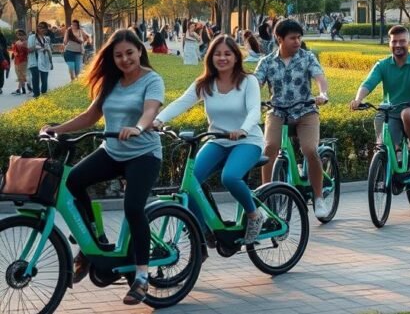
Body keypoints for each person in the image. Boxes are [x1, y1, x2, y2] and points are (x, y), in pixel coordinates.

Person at [40, 29, 164, 305]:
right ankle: (93, 242)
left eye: (129, 53)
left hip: (144, 154)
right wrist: (55, 129)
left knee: (133, 208)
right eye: (118, 55)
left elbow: (150, 111)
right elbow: (90, 116)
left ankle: (142, 277)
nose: (125, 59)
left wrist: (137, 127)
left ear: (139, 51)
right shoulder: (111, 81)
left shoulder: (152, 80)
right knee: (73, 181)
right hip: (112, 151)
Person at [154, 35, 265, 243]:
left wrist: (242, 129)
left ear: (235, 57)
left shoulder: (248, 81)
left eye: (227, 54)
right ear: (210, 57)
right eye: (217, 54)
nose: (222, 58)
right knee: (190, 182)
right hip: (218, 140)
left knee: (230, 177)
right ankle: (203, 231)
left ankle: (254, 214)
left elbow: (254, 111)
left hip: (247, 141)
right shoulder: (205, 83)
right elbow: (181, 102)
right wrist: (158, 120)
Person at [255, 19, 331, 219]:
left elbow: (319, 77)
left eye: (299, 37)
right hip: (278, 111)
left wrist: (322, 94)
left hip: (306, 111)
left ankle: (319, 197)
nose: (297, 41)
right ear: (279, 39)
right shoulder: (266, 62)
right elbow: (255, 85)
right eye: (292, 38)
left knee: (309, 149)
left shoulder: (307, 58)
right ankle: (265, 197)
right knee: (269, 147)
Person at [350, 25, 410, 168]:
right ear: (389, 43)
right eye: (394, 42)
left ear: (409, 43)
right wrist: (358, 99)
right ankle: (395, 158)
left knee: (406, 113)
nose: (398, 45)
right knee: (383, 143)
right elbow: (368, 83)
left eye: (402, 41)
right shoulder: (382, 65)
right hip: (391, 111)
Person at [27, 21, 54, 97]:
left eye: (42, 27)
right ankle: (36, 95)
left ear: (46, 29)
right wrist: (37, 47)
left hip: (45, 61)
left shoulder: (46, 39)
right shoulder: (32, 37)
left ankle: (44, 94)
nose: (40, 29)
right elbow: (29, 50)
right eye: (39, 27)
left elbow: (49, 51)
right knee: (35, 78)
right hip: (34, 61)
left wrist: (51, 62)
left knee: (44, 80)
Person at [12, 30, 29, 95]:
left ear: (24, 35)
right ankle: (23, 88)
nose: (20, 36)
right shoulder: (17, 42)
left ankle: (19, 89)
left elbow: (27, 51)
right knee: (20, 74)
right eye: (18, 35)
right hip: (17, 60)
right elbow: (14, 50)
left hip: (23, 60)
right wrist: (15, 53)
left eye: (21, 35)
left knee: (21, 74)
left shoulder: (25, 43)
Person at [0, 30, 9, 94]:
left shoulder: (2, 37)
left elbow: (5, 49)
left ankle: (0, 87)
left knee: (1, 74)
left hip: (1, 58)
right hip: (2, 57)